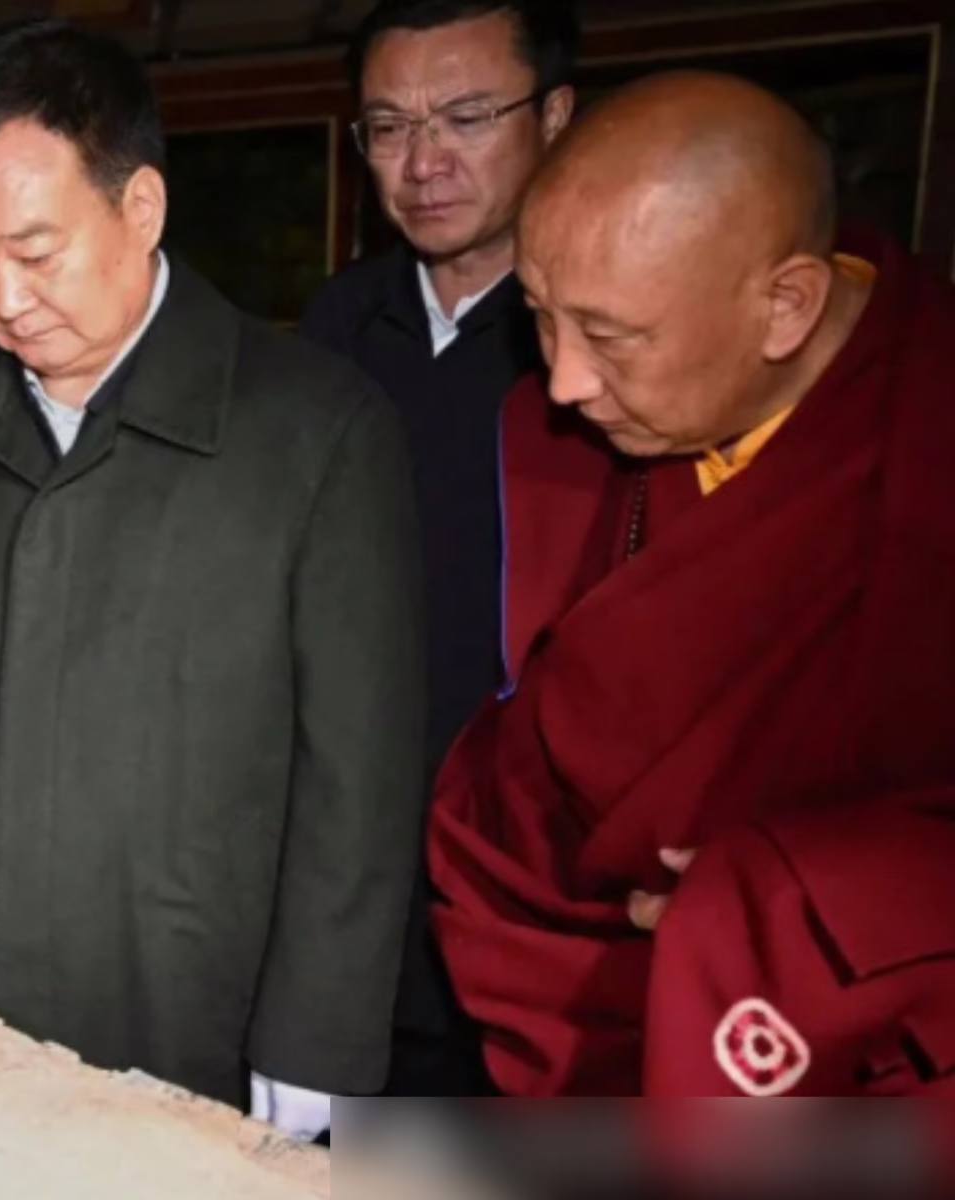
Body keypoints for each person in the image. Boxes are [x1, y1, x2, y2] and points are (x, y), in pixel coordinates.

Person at [0, 19, 427, 1139]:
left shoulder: (316, 431)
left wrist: (312, 1049)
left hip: (192, 1003)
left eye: (33, 251)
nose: (2, 301)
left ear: (139, 207)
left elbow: (359, 779)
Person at [429, 72, 955, 1096]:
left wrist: (791, 905)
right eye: (539, 318)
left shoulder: (923, 431)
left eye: (611, 336)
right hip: (571, 999)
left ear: (785, 306)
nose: (565, 381)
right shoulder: (554, 438)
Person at [297, 0, 577, 1096]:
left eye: (464, 117)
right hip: (352, 862)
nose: (423, 164)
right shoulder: (335, 327)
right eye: (386, 126)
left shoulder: (597, 333)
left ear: (553, 115)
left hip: (532, 872)